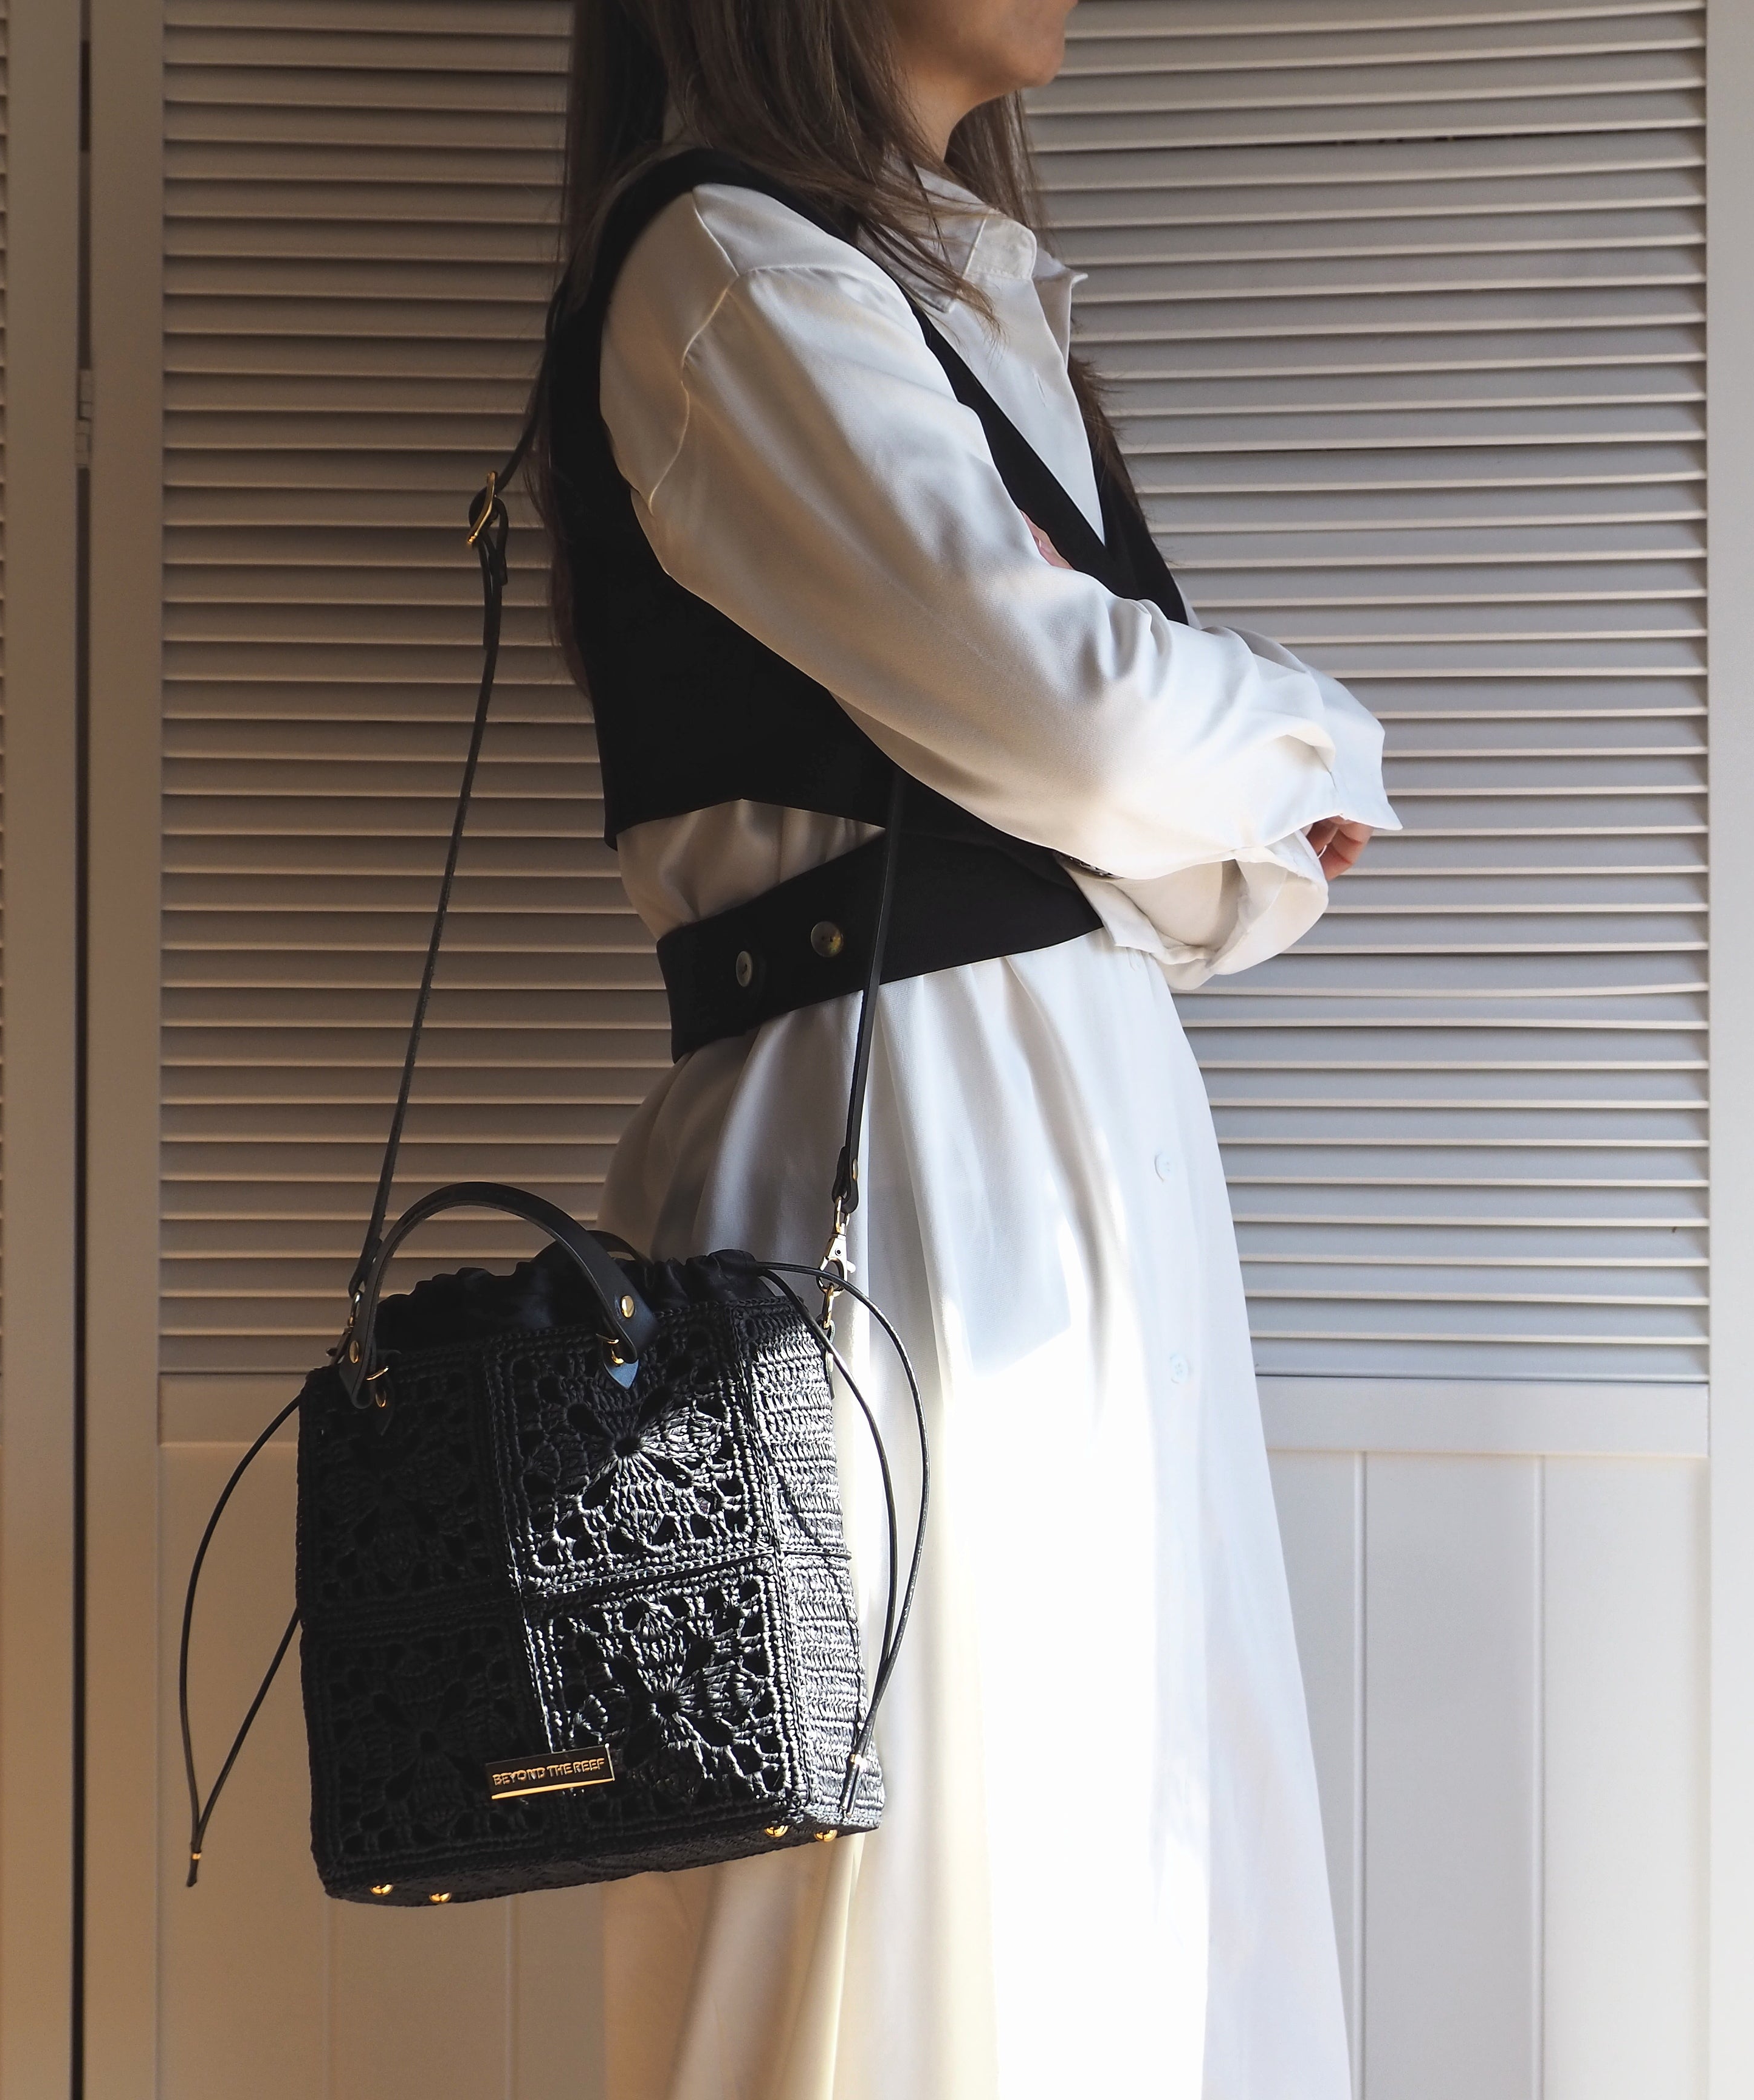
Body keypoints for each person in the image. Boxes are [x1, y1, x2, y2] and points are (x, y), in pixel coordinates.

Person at [526, 0, 1395, 2093]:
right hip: (898, 1149)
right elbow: (1076, 719)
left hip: (1048, 1125)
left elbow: (1177, 867)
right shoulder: (726, 269)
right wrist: (1308, 740)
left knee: (1104, 1838)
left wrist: (1196, 791)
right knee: (912, 1860)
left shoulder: (940, 292)